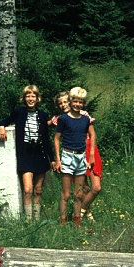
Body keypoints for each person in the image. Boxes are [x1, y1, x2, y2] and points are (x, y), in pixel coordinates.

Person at [0, 84, 56, 221]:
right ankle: (28, 221)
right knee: (28, 189)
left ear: (37, 98)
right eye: (28, 96)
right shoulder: (19, 112)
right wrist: (1, 127)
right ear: (24, 98)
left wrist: (52, 158)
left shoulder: (42, 115)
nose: (30, 98)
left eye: (33, 96)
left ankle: (36, 219)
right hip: (25, 154)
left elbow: (46, 139)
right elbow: (5, 120)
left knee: (38, 190)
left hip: (40, 154)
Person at [53, 90, 103, 223]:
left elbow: (91, 135)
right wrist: (57, 160)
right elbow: (57, 139)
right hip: (68, 156)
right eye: (75, 101)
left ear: (84, 104)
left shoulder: (85, 119)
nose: (77, 104)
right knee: (66, 194)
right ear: (71, 101)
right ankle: (63, 221)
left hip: (81, 157)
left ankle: (77, 222)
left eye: (80, 102)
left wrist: (90, 155)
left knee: (79, 193)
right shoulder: (63, 119)